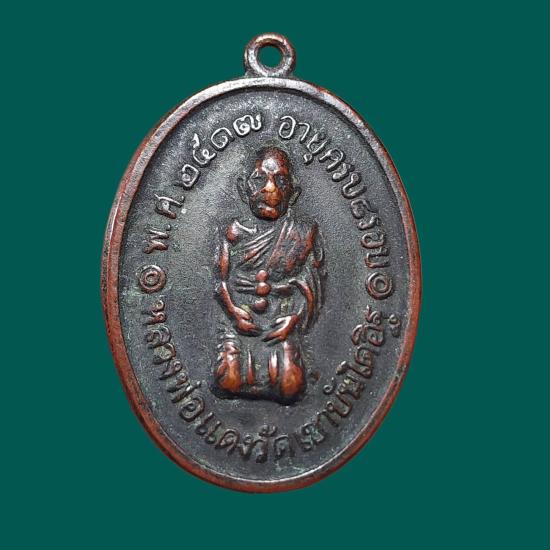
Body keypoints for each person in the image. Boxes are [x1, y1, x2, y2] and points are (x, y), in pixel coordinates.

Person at [214, 147, 325, 404]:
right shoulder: (233, 232)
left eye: (281, 181)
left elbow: (312, 287)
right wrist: (233, 313)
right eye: (259, 179)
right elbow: (220, 282)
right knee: (227, 381)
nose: (270, 189)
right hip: (241, 322)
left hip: (280, 323)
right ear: (243, 189)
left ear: (293, 194)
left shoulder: (303, 234)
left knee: (291, 387)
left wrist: (293, 320)